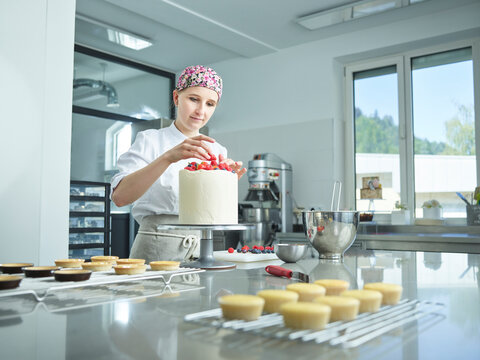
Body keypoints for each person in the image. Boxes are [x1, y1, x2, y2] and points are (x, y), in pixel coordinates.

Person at [111, 65, 246, 263]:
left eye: (210, 104)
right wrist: (168, 158)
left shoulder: (217, 150)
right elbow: (120, 197)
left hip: (202, 248)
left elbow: (213, 215)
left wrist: (225, 182)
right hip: (157, 247)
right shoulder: (150, 140)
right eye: (193, 99)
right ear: (176, 98)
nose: (201, 111)